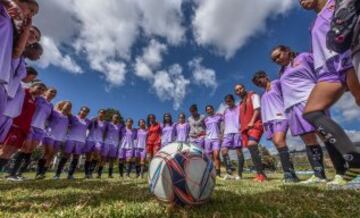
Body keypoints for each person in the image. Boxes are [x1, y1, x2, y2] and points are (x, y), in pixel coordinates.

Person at [299, 0, 360, 183]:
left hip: (346, 57)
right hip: (327, 70)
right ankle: (354, 159)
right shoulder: (313, 24)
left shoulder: (337, 3)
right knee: (310, 112)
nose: (300, 2)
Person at [271, 45, 347, 184]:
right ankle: (319, 175)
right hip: (292, 107)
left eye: (278, 55)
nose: (276, 60)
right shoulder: (281, 72)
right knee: (308, 140)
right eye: (274, 59)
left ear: (287, 51)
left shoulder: (304, 57)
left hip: (309, 99)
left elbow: (323, 70)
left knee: (325, 135)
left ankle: (342, 172)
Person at [252, 71, 299, 183]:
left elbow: (288, 95)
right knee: (279, 146)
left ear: (266, 77)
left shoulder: (277, 83)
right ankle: (291, 173)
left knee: (279, 141)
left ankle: (288, 174)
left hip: (280, 117)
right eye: (257, 84)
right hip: (268, 122)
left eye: (259, 81)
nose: (259, 84)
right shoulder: (263, 95)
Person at [0, 82, 46, 179]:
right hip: (15, 126)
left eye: (42, 90)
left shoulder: (34, 100)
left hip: (24, 129)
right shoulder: (24, 93)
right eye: (39, 88)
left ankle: (11, 175)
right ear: (32, 86)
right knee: (5, 149)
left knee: (12, 151)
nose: (40, 91)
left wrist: (28, 127)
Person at [234, 84, 266, 182]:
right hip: (245, 129)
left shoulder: (253, 95)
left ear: (244, 88)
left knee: (252, 145)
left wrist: (252, 121)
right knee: (251, 150)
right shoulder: (240, 104)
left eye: (240, 88)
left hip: (255, 125)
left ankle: (261, 175)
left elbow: (257, 109)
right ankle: (260, 173)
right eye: (237, 90)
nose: (239, 91)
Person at [36, 101, 71, 179]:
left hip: (59, 138)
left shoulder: (68, 118)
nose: (68, 107)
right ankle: (38, 172)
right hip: (49, 135)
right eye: (67, 105)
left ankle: (43, 172)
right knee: (47, 152)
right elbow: (46, 119)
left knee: (52, 155)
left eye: (69, 106)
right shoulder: (55, 112)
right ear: (62, 105)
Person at [54, 106, 90, 180]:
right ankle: (57, 174)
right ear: (80, 111)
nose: (84, 112)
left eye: (86, 112)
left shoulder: (88, 121)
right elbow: (63, 114)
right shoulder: (73, 117)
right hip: (70, 139)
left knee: (76, 158)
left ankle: (70, 175)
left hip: (81, 141)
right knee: (65, 156)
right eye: (83, 110)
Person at [221, 94, 245, 181]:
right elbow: (224, 123)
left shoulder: (239, 107)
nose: (228, 102)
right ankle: (229, 172)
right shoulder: (225, 111)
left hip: (237, 132)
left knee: (239, 152)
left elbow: (244, 118)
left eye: (229, 100)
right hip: (227, 133)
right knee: (224, 151)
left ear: (233, 100)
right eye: (226, 101)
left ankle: (240, 174)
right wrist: (222, 134)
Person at [83, 109, 107, 179]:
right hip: (90, 139)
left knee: (96, 155)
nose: (101, 114)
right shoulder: (93, 119)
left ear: (104, 115)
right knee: (88, 157)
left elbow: (105, 132)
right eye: (100, 112)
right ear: (98, 113)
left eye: (103, 113)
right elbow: (87, 128)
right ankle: (86, 173)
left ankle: (90, 172)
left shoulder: (105, 123)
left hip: (99, 141)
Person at [99, 113, 123, 178]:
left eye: (117, 117)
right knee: (103, 158)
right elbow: (103, 131)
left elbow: (121, 135)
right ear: (112, 118)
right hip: (106, 143)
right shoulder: (108, 124)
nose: (116, 118)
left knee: (112, 160)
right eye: (115, 117)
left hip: (115, 144)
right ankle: (99, 174)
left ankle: (110, 174)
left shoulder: (120, 126)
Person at [204, 105, 223, 178]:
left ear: (213, 109)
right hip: (208, 139)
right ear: (206, 111)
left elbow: (224, 120)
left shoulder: (218, 116)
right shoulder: (206, 119)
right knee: (209, 157)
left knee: (216, 155)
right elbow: (204, 129)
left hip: (216, 139)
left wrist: (222, 134)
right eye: (207, 110)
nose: (209, 110)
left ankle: (218, 173)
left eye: (210, 109)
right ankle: (211, 172)